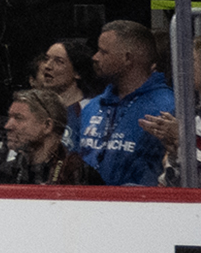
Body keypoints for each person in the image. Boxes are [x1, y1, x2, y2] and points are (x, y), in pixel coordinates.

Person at [69, 18, 180, 187]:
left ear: (127, 58)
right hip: (88, 200)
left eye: (103, 52)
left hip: (144, 201)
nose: (95, 57)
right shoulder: (92, 106)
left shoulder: (168, 107)